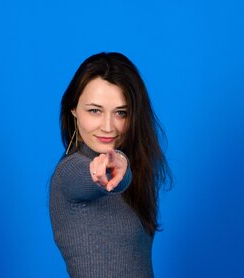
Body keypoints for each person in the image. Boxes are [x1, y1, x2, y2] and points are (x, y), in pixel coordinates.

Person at [49, 52, 171, 278]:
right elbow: (99, 176)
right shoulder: (69, 172)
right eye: (94, 110)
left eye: (121, 113)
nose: (108, 127)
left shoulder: (137, 172)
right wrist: (117, 165)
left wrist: (123, 163)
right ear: (73, 110)